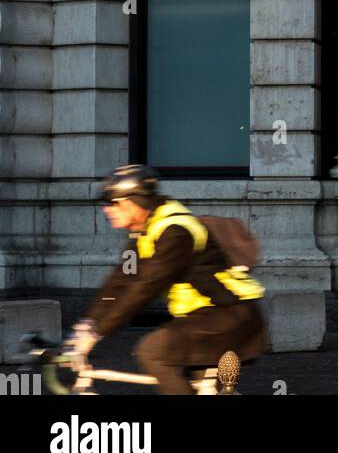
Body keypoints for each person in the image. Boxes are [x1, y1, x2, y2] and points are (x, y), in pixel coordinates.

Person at [66, 164, 268, 394]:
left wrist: (99, 331)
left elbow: (146, 287)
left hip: (229, 316)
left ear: (135, 201)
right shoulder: (143, 232)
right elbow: (122, 281)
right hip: (206, 318)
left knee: (152, 351)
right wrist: (87, 324)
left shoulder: (176, 232)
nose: (107, 209)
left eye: (113, 202)